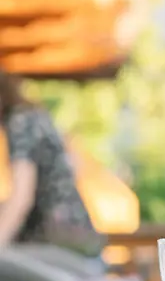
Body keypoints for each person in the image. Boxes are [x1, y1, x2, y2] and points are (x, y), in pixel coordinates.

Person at [0, 69, 104, 256]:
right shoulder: (35, 116)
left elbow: (21, 197)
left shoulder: (19, 121)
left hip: (59, 243)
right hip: (77, 235)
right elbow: (74, 166)